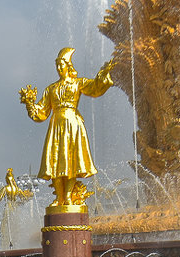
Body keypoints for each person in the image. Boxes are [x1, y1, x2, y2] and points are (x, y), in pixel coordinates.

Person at [20, 47, 114, 208]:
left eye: (61, 65)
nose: (58, 69)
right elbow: (41, 113)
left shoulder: (78, 83)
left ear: (68, 65)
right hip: (56, 125)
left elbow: (95, 88)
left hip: (73, 125)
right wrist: (29, 104)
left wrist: (104, 73)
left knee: (71, 162)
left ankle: (68, 197)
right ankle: (59, 197)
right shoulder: (51, 89)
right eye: (56, 66)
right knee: (55, 162)